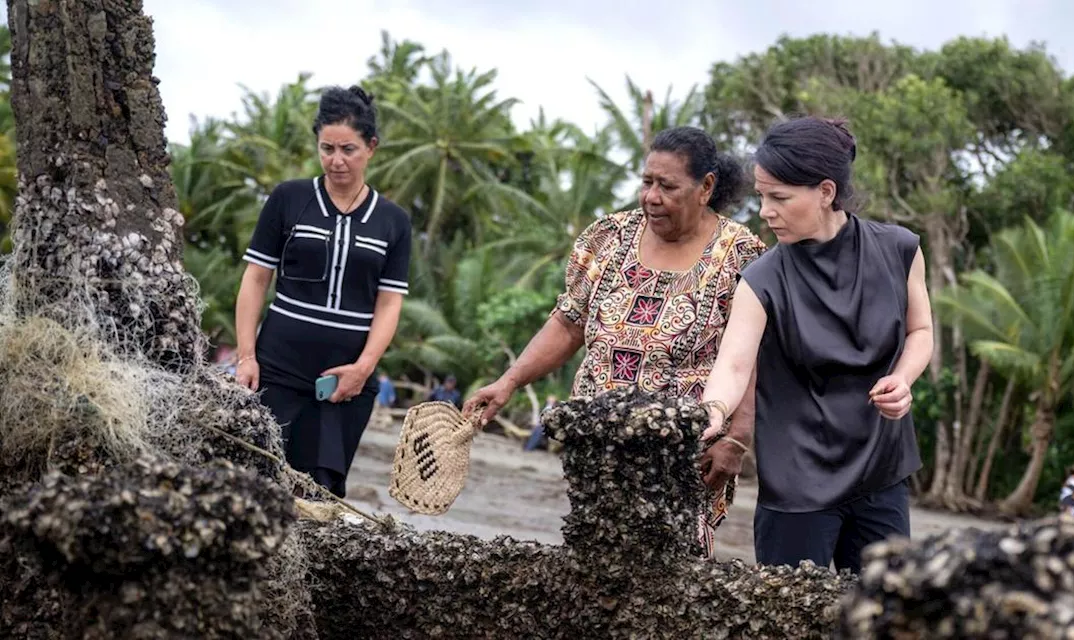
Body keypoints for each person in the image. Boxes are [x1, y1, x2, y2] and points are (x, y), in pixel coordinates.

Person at [464, 126, 769, 558]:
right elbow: (569, 323)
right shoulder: (608, 238)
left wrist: (736, 438)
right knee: (596, 559)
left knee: (675, 566)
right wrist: (509, 381)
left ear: (706, 187)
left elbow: (750, 357)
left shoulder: (741, 254)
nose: (651, 197)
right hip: (598, 442)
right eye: (647, 182)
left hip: (685, 451)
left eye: (667, 186)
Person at [696, 116, 934, 574]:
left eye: (779, 197)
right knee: (786, 621)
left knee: (879, 615)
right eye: (762, 196)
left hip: (881, 472)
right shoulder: (762, 278)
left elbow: (920, 332)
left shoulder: (900, 249)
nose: (765, 210)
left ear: (826, 192)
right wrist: (713, 412)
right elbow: (732, 366)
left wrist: (903, 380)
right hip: (797, 483)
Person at [234, 85, 412, 499]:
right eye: (326, 148)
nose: (336, 160)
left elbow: (389, 301)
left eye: (348, 149)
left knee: (319, 495)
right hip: (276, 369)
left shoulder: (393, 221)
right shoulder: (288, 198)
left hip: (345, 384)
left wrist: (364, 368)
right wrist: (246, 356)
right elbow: (256, 278)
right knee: (257, 486)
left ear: (371, 148)